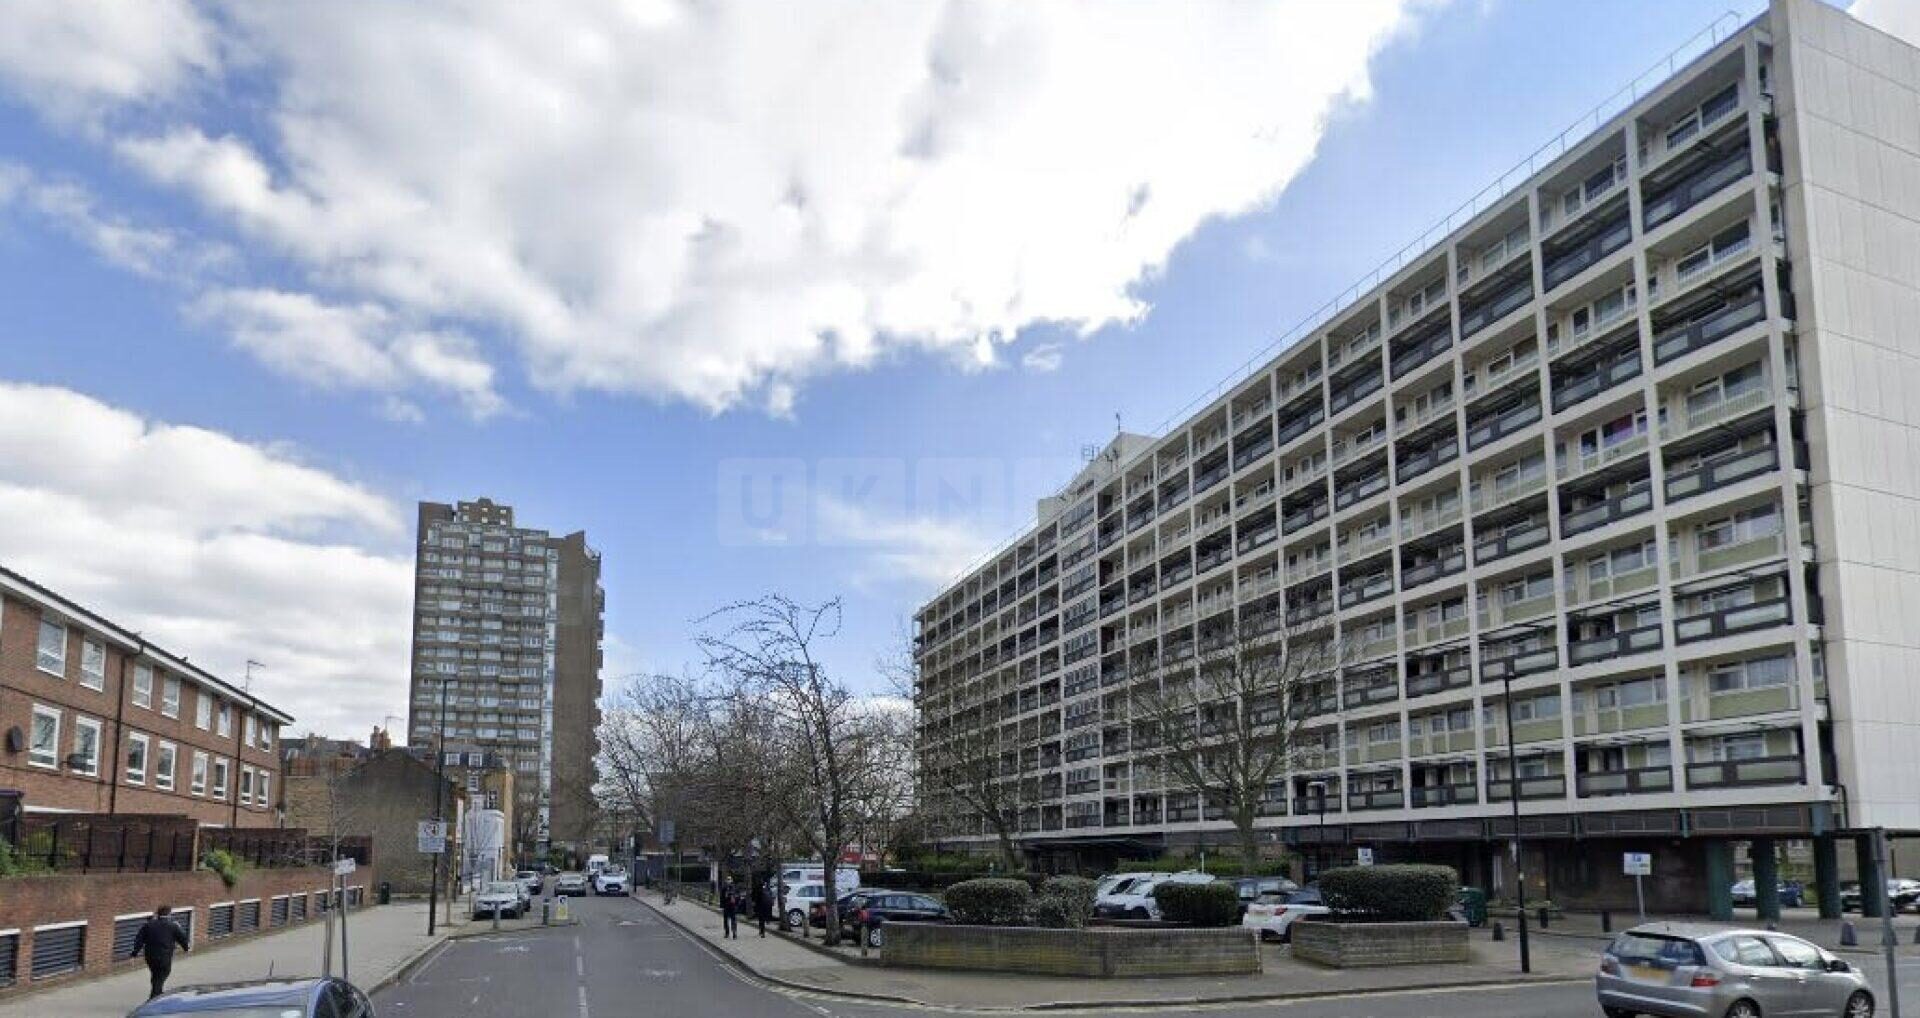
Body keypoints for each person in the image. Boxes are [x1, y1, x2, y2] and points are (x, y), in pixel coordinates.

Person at [130, 905, 190, 1000]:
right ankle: (153, 998)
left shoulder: (148, 925)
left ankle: (158, 994)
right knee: (163, 974)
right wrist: (186, 949)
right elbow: (182, 938)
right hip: (164, 956)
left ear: (157, 913)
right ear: (169, 914)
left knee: (155, 976)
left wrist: (134, 954)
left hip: (150, 957)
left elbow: (139, 940)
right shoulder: (173, 926)